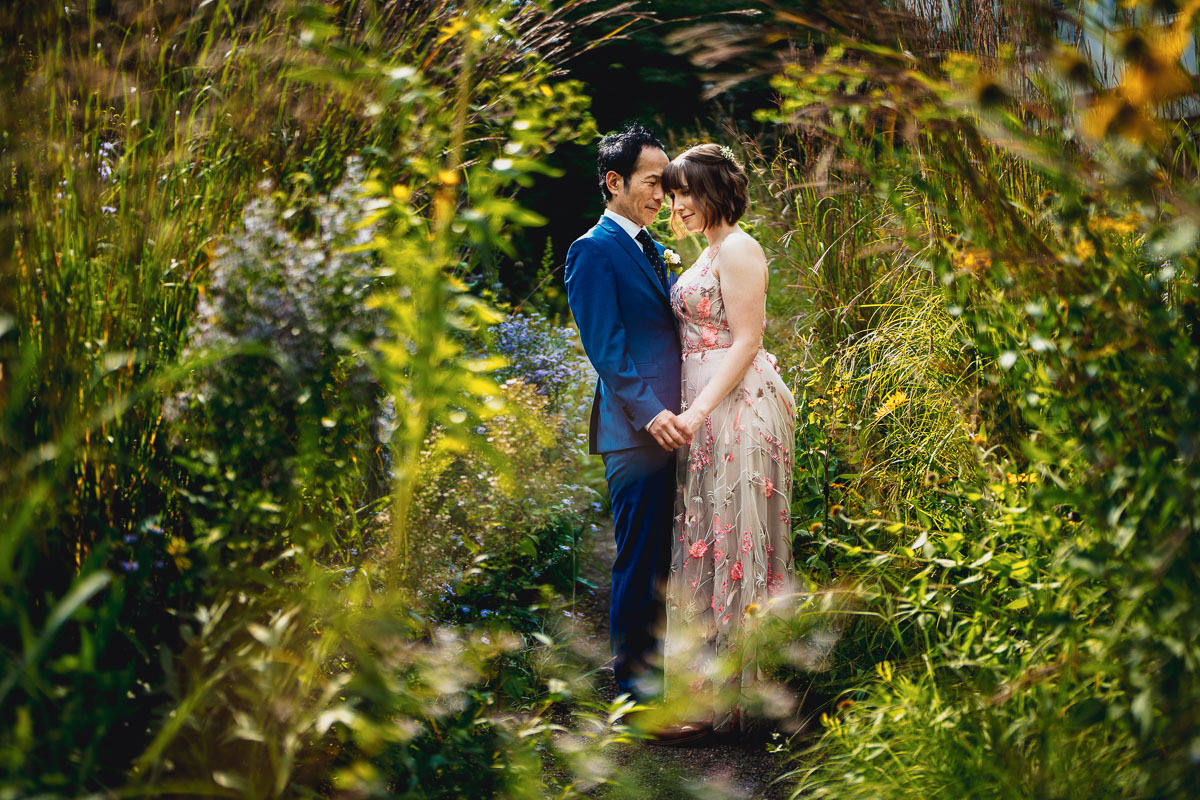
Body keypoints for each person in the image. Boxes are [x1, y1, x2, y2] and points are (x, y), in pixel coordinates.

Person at [564, 125, 706, 744]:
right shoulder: (592, 250)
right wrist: (652, 414)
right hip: (638, 430)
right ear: (615, 182)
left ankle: (662, 693)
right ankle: (635, 709)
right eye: (653, 182)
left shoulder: (647, 245)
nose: (663, 193)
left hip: (671, 426)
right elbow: (608, 350)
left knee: (662, 563)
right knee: (640, 565)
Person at [661, 143, 797, 735]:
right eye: (673, 194)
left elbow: (745, 340)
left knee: (737, 539)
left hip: (735, 406)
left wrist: (697, 413)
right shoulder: (709, 252)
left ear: (717, 189)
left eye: (688, 191)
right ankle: (704, 693)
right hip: (706, 407)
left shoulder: (739, 248)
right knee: (706, 540)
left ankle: (741, 696)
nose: (680, 204)